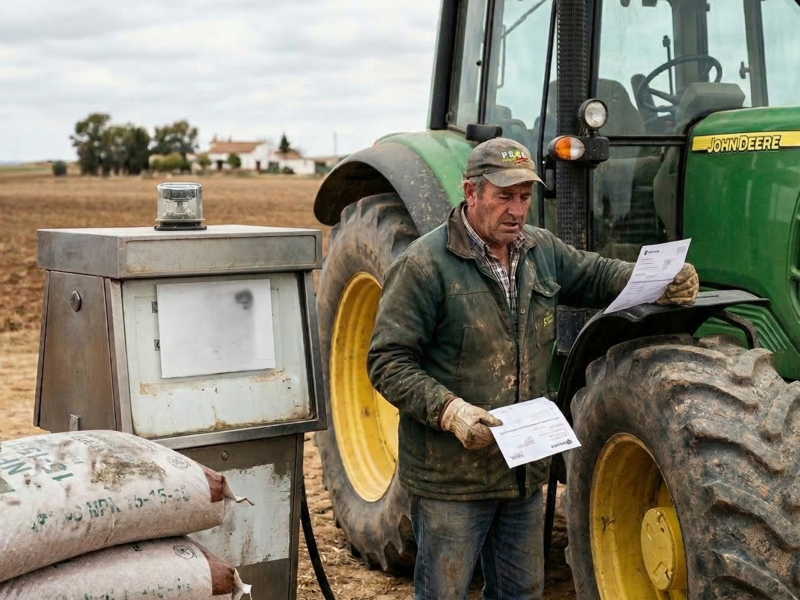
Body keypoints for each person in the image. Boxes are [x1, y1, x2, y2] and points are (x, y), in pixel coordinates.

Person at [366, 137, 699, 600]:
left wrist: (660, 282)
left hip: (520, 468)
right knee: (445, 594)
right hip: (452, 477)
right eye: (504, 196)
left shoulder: (538, 250)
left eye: (524, 197)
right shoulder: (424, 266)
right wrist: (450, 411)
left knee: (521, 592)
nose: (517, 209)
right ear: (471, 192)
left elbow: (596, 274)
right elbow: (387, 360)